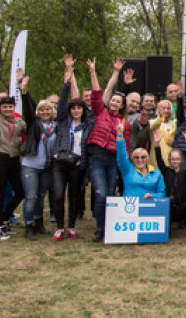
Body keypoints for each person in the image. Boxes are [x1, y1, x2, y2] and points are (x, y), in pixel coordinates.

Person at [85, 58, 130, 242]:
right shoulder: (100, 112)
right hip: (96, 158)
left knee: (111, 195)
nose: (114, 102)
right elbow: (97, 93)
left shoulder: (124, 123)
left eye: (118, 101)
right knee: (101, 194)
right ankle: (99, 228)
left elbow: (125, 148)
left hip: (113, 160)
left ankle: (109, 229)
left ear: (121, 105)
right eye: (112, 99)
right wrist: (94, 71)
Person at [51, 55, 93, 241]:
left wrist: (86, 171)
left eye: (79, 108)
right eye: (73, 108)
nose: (76, 110)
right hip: (60, 162)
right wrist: (66, 82)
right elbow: (61, 103)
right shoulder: (63, 120)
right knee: (59, 195)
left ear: (83, 110)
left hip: (77, 164)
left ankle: (72, 226)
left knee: (74, 196)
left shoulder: (87, 125)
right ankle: (60, 227)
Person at [0, 68, 27, 240]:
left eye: (10, 106)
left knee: (20, 191)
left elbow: (30, 127)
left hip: (14, 159)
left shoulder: (18, 121)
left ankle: (5, 217)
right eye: (4, 106)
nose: (7, 109)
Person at [18, 69, 59, 240]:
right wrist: (24, 92)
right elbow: (28, 108)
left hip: (46, 167)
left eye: (47, 110)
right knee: (31, 196)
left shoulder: (56, 126)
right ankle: (28, 226)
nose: (44, 112)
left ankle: (39, 223)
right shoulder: (33, 124)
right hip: (31, 165)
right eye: (41, 110)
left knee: (41, 197)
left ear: (52, 111)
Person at [115, 119, 165, 200]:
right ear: (132, 159)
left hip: (149, 207)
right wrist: (120, 134)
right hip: (130, 207)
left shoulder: (156, 173)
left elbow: (162, 194)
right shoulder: (127, 170)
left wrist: (152, 196)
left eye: (143, 157)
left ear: (147, 159)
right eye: (136, 157)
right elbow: (121, 155)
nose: (140, 160)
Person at [154, 137, 186, 228]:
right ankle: (166, 232)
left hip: (182, 206)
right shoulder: (166, 171)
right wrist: (157, 145)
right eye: (173, 159)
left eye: (177, 159)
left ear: (181, 160)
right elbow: (159, 160)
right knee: (167, 205)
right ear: (169, 160)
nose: (175, 161)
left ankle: (185, 223)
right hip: (169, 206)